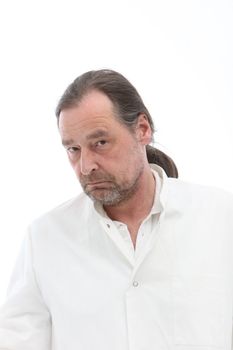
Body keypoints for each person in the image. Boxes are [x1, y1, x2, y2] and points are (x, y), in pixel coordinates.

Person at [0, 69, 233, 350]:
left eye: (100, 143)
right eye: (73, 149)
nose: (86, 166)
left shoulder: (220, 218)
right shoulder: (44, 239)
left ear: (142, 130)